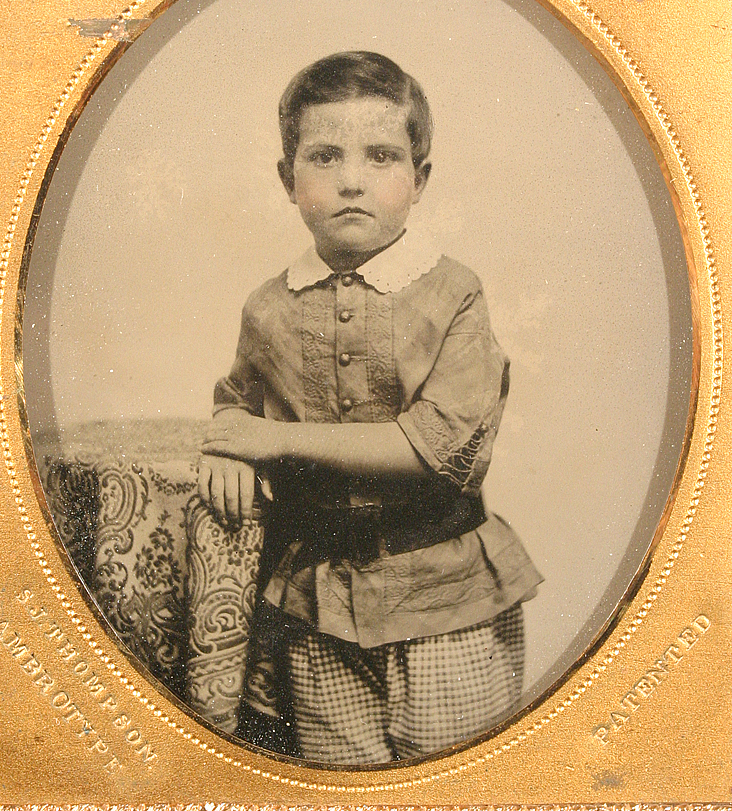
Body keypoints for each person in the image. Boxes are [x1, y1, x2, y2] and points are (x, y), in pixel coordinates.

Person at [198, 51, 542, 765]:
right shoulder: (267, 308)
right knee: (341, 787)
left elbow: (432, 446)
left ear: (419, 179)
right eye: (324, 156)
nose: (351, 180)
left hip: (444, 599)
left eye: (381, 156)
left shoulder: (454, 293)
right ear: (288, 179)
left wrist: (269, 440)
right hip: (320, 603)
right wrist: (228, 448)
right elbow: (235, 409)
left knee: (453, 785)